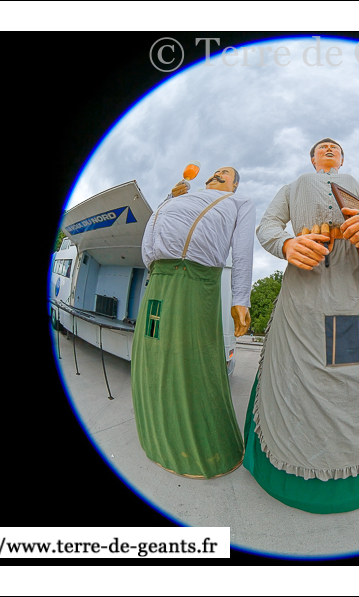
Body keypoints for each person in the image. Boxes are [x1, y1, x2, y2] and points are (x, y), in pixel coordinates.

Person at [246, 138, 359, 513]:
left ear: (343, 159)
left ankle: (358, 470)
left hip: (356, 290)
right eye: (322, 148)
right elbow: (268, 226)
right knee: (298, 375)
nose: (329, 150)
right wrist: (287, 245)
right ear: (312, 158)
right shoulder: (293, 186)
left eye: (335, 148)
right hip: (306, 290)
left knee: (358, 374)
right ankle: (294, 472)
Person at [130, 166, 254, 479]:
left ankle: (201, 449)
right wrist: (168, 198)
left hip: (194, 278)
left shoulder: (239, 203)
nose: (216, 174)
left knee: (189, 361)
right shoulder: (182, 197)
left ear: (235, 186)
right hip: (158, 279)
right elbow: (155, 229)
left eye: (225, 173)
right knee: (152, 359)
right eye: (216, 171)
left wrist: (241, 299)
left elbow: (243, 251)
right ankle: (155, 435)